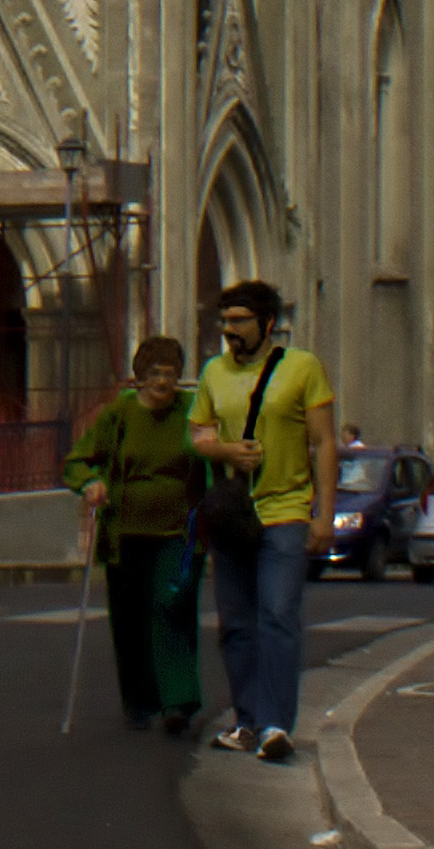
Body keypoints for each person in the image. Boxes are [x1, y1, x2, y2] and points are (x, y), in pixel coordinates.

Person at [188, 277, 344, 763]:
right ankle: (247, 720)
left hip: (286, 509)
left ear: (268, 324)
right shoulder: (214, 372)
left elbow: (324, 444)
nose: (229, 331)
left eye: (239, 322)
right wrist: (227, 448)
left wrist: (325, 516)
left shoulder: (302, 369)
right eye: (225, 322)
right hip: (236, 512)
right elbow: (197, 435)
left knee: (278, 614)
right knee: (236, 622)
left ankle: (277, 724)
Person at [67, 336, 209, 734]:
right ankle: (139, 700)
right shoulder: (118, 416)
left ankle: (178, 699)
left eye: (171, 374)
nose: (163, 382)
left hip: (178, 531)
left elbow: (210, 456)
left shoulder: (192, 413)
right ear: (139, 377)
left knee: (173, 607)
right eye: (155, 374)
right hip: (125, 533)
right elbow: (77, 461)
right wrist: (90, 483)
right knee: (130, 619)